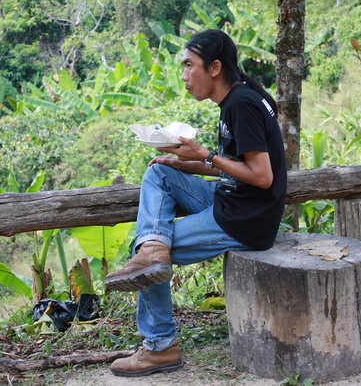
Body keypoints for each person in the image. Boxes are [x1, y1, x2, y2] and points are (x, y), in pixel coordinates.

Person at [104, 29, 287, 377]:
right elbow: (233, 166)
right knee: (160, 173)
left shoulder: (241, 105)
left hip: (244, 218)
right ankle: (153, 247)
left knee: (146, 255)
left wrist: (206, 154)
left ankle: (160, 346)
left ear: (215, 67)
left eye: (190, 65)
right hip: (232, 199)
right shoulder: (237, 98)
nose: (185, 75)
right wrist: (183, 162)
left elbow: (262, 176)